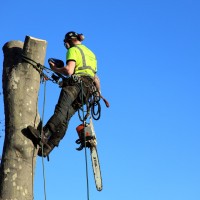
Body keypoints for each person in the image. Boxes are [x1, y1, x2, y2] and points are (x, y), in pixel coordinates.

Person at [28, 31, 98, 157]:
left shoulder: (73, 50)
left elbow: (68, 70)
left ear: (68, 41)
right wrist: (97, 95)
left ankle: (44, 134)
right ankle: (50, 146)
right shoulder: (91, 54)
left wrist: (55, 69)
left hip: (74, 86)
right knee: (65, 118)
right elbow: (96, 79)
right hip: (87, 92)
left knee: (61, 112)